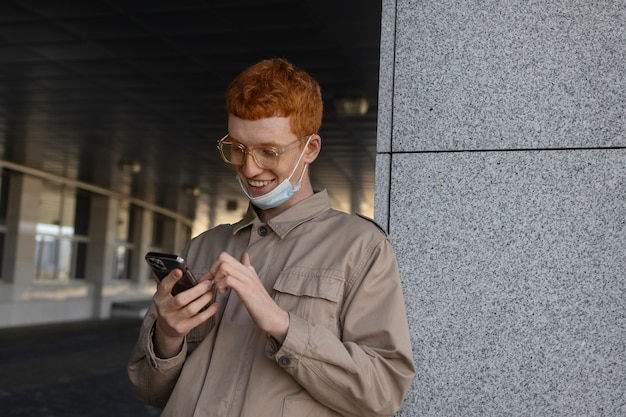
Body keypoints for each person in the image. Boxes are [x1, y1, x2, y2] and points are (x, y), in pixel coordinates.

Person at [128, 58, 415, 417]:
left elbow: (382, 393)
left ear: (310, 148)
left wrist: (280, 324)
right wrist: (167, 337)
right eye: (237, 147)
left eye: (269, 151)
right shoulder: (203, 246)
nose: (249, 168)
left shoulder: (361, 247)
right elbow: (148, 390)